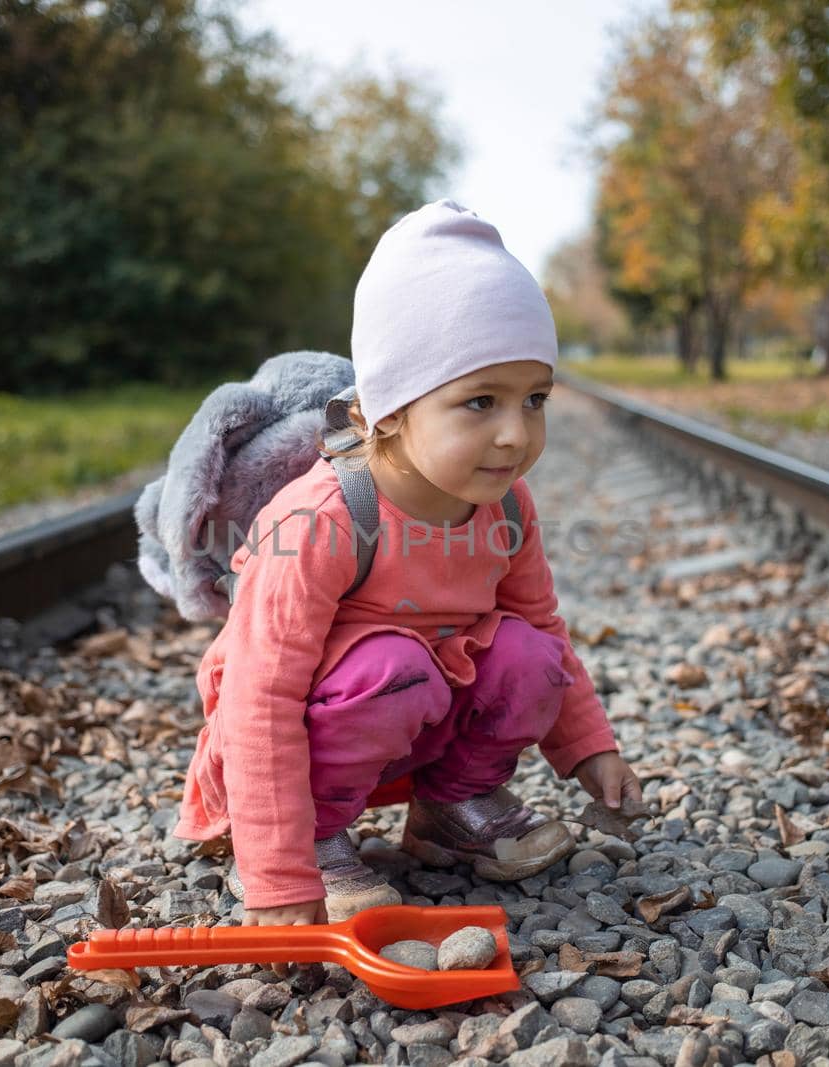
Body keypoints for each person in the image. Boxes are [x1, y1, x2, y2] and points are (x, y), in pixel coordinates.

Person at [172, 199, 641, 929]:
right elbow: (258, 699)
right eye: (480, 401)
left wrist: (589, 747)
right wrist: (276, 873)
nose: (515, 434)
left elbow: (543, 623)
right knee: (394, 663)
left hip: (414, 712)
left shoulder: (506, 506)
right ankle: (318, 839)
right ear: (386, 410)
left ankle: (453, 805)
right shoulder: (321, 519)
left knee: (530, 652)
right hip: (311, 732)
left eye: (535, 398)